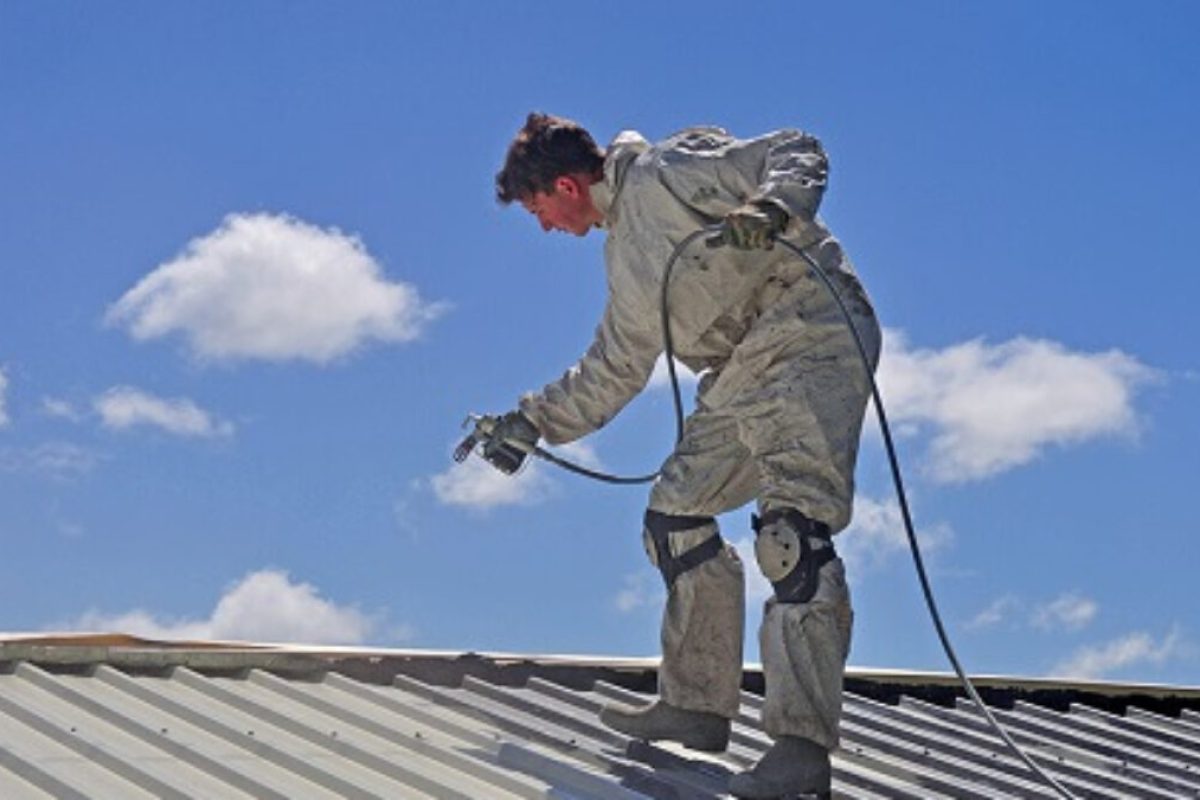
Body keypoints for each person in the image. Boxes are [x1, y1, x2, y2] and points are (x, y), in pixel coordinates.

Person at [486, 112, 880, 800]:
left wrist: (773, 206)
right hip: (739, 374)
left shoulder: (668, 172)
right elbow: (614, 366)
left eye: (537, 209)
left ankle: (800, 750)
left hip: (809, 335)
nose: (543, 226)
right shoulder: (626, 259)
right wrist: (532, 422)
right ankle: (697, 706)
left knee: (791, 536)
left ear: (566, 186)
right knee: (675, 518)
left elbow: (794, 148)